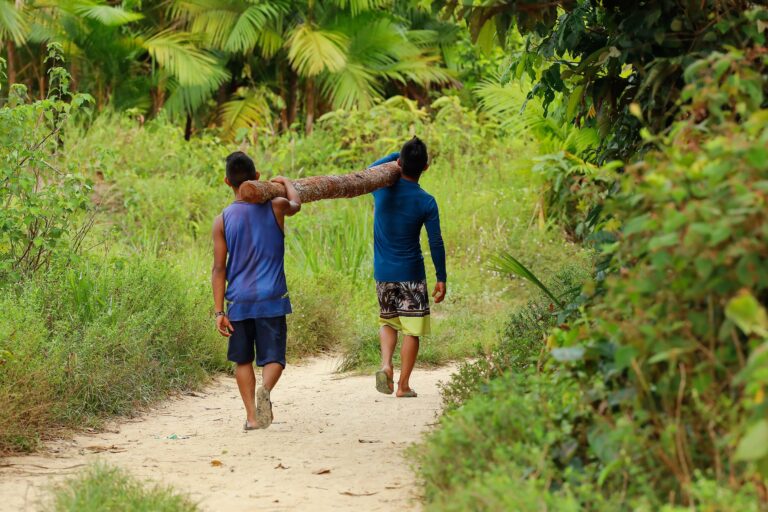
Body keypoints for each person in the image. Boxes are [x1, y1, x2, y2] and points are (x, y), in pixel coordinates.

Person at [211, 151, 301, 430]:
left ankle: (252, 416)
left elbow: (218, 269)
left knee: (242, 360)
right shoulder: (276, 206)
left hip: (238, 302)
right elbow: (296, 203)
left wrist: (218, 311)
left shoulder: (222, 220)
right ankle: (266, 390)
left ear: (227, 182)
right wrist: (285, 181)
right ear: (258, 178)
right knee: (274, 358)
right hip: (271, 298)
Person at [369, 137, 447, 398]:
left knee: (388, 322)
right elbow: (435, 241)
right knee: (412, 330)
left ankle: (386, 365)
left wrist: (396, 154)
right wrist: (441, 276)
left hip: (383, 273)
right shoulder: (427, 201)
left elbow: (371, 169)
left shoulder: (381, 190)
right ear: (426, 167)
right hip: (411, 274)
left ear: (399, 163)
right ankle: (403, 386)